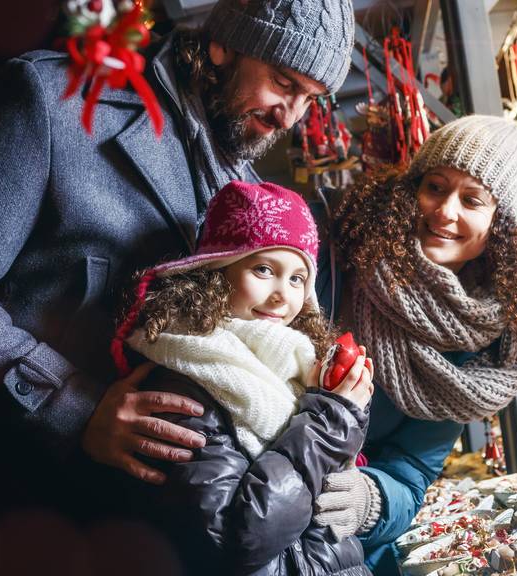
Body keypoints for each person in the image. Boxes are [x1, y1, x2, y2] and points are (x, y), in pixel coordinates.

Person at [0, 0, 355, 572]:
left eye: (310, 98)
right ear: (224, 45)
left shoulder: (250, 194)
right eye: (282, 82)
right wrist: (74, 406)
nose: (290, 116)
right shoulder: (53, 100)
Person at [308, 115, 517, 573]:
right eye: (435, 187)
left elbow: (410, 470)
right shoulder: (335, 245)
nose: (446, 211)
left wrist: (371, 498)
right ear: (412, 188)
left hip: (326, 540)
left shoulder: (477, 347)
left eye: (472, 200)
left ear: (499, 225)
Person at [112, 180, 373, 575]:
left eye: (297, 278)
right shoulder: (187, 376)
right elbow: (236, 536)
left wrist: (344, 409)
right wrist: (331, 421)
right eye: (264, 269)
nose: (282, 294)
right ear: (216, 272)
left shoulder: (296, 366)